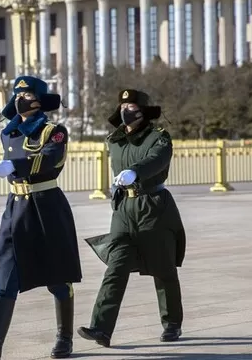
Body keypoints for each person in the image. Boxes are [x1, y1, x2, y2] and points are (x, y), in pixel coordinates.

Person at [78, 89, 186, 348]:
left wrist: (135, 172)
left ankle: (172, 323)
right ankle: (101, 328)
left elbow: (156, 160)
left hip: (153, 207)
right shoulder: (114, 140)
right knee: (116, 266)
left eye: (132, 106)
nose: (127, 110)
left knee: (163, 269)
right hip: (124, 209)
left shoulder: (159, 138)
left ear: (143, 110)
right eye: (123, 105)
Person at [0, 75, 82, 360]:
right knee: (5, 273)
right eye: (16, 94)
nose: (19, 99)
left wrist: (15, 164)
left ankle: (64, 337)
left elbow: (49, 158)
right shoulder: (8, 132)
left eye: (26, 95)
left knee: (58, 275)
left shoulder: (55, 131)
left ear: (39, 99)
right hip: (16, 206)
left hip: (46, 205)